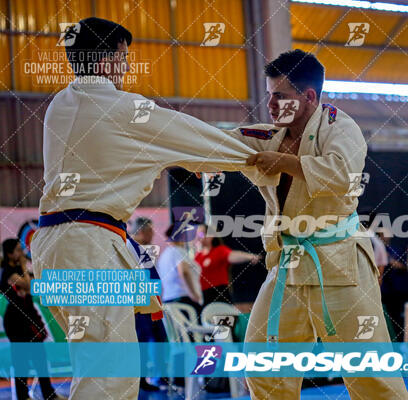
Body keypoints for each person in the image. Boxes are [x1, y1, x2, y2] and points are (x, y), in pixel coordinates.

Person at [30, 17, 276, 400]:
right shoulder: (124, 109)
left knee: (98, 366)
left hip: (56, 245)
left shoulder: (59, 105)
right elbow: (203, 140)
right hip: (89, 246)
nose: (127, 67)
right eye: (124, 57)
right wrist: (270, 147)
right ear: (106, 60)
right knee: (109, 378)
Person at [226, 50, 408, 399]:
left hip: (339, 261)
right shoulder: (269, 136)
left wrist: (283, 162)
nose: (270, 103)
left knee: (370, 373)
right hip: (288, 264)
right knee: (262, 365)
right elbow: (219, 142)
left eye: (279, 95)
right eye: (269, 94)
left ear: (308, 96)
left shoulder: (340, 126)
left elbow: (343, 174)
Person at [1, 239, 66, 400]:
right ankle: (23, 396)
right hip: (16, 321)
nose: (21, 253)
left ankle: (48, 394)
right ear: (9, 253)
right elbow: (29, 286)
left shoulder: (17, 269)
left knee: (40, 358)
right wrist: (24, 264)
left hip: (28, 316)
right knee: (21, 360)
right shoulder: (8, 272)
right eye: (17, 250)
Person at [131, 217, 168, 392]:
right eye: (151, 231)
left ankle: (159, 376)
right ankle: (141, 381)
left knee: (159, 339)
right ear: (142, 231)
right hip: (141, 304)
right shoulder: (131, 247)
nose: (153, 235)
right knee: (142, 343)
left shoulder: (140, 249)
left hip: (150, 301)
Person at [195, 232, 261, 305]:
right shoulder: (197, 257)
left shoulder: (219, 250)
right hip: (203, 297)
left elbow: (232, 255)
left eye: (201, 234)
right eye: (197, 234)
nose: (198, 237)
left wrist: (250, 257)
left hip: (219, 294)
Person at [156, 225, 203, 320]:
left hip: (169, 300)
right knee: (193, 333)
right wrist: (193, 294)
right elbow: (184, 272)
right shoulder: (179, 251)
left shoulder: (164, 255)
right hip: (183, 300)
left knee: (178, 333)